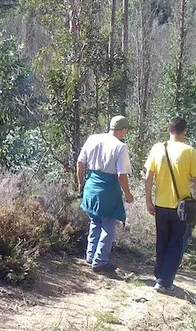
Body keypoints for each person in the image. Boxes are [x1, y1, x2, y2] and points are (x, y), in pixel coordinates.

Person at [144, 116, 196, 294]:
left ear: (169, 130)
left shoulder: (157, 148)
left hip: (161, 204)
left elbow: (148, 177)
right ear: (184, 131)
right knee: (177, 243)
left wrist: (148, 200)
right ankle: (164, 281)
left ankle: (160, 275)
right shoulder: (189, 151)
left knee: (162, 241)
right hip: (182, 207)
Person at [77, 115, 134, 274]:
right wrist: (128, 194)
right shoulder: (120, 147)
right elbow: (121, 175)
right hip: (107, 189)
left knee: (95, 221)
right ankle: (100, 261)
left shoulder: (92, 139)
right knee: (108, 224)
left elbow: (80, 163)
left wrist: (81, 184)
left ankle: (91, 255)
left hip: (91, 186)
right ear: (123, 130)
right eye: (126, 130)